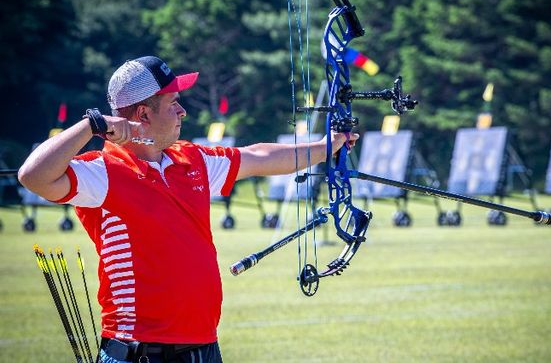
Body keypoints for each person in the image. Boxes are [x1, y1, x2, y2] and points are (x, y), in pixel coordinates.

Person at [18, 56, 357, 363]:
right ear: (143, 114)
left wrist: (327, 147)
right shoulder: (102, 172)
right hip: (140, 352)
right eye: (174, 103)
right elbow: (33, 176)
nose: (183, 112)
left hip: (204, 349)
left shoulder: (191, 159)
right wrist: (91, 125)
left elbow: (259, 157)